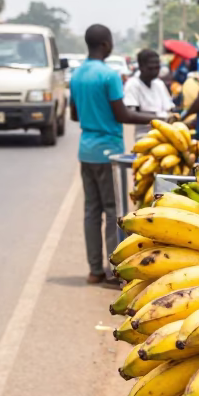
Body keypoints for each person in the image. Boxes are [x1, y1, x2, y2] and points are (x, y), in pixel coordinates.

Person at [69, 24, 131, 285]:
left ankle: (94, 270)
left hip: (86, 149)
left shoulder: (76, 75)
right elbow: (122, 115)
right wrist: (156, 117)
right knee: (111, 210)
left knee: (91, 211)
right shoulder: (109, 76)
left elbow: (74, 115)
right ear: (105, 44)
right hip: (109, 151)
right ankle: (112, 269)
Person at [122, 49, 177, 142]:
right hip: (144, 136)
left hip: (165, 134)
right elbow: (131, 114)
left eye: (157, 67)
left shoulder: (159, 83)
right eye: (151, 68)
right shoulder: (132, 85)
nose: (155, 71)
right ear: (141, 67)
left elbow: (169, 108)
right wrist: (161, 118)